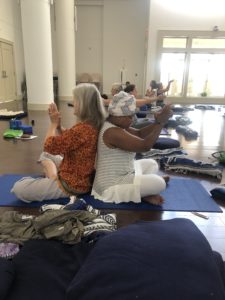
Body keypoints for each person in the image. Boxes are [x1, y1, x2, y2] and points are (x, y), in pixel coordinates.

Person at [11, 83, 107, 202]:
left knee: (19, 188)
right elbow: (70, 139)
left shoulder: (82, 129)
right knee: (45, 156)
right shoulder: (90, 125)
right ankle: (53, 177)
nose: (73, 102)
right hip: (80, 175)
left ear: (84, 104)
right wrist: (59, 126)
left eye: (75, 100)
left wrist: (53, 124)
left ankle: (53, 179)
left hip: (71, 185)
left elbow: (48, 145)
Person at [91, 91, 173, 205]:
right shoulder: (112, 132)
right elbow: (145, 146)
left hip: (124, 173)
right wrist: (161, 123)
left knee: (151, 164)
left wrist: (157, 121)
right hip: (111, 186)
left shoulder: (116, 125)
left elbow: (139, 134)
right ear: (119, 116)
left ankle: (143, 192)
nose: (133, 119)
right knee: (159, 183)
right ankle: (144, 191)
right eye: (130, 117)